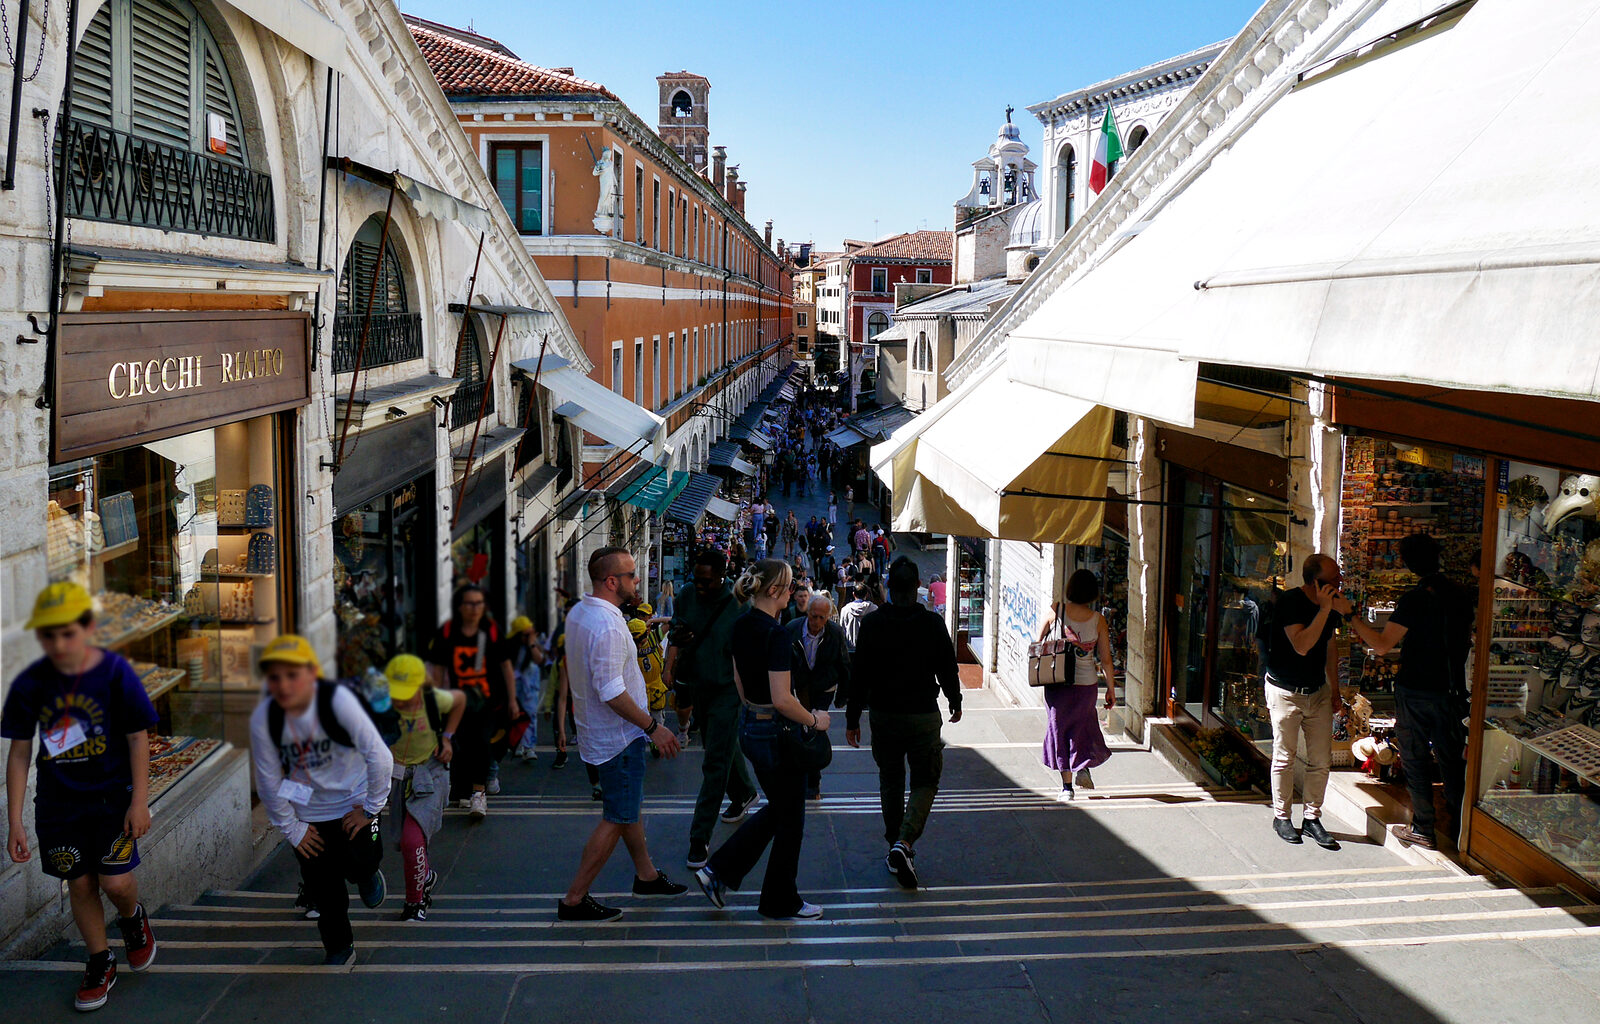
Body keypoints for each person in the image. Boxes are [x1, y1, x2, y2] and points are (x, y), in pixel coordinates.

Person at [3, 583, 160, 1011]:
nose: (58, 643)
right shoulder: (31, 683)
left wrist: (139, 800)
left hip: (112, 797)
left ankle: (132, 918)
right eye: (48, 635)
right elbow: (19, 753)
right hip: (59, 805)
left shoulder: (113, 672)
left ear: (88, 629)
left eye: (67, 633)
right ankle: (99, 960)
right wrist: (15, 820)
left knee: (116, 881)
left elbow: (137, 737)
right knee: (81, 881)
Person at [557, 547, 688, 922]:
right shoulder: (611, 626)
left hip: (599, 733)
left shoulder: (581, 613)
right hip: (619, 738)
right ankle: (574, 899)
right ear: (612, 582)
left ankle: (646, 876)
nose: (637, 580)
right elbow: (611, 690)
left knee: (628, 808)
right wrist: (653, 727)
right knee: (617, 815)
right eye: (631, 575)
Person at [694, 559, 827, 920]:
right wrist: (815, 720)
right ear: (773, 591)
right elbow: (783, 698)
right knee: (790, 815)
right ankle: (749, 886)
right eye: (788, 585)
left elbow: (739, 682)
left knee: (784, 810)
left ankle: (749, 886)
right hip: (776, 732)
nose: (793, 590)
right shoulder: (777, 634)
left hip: (750, 725)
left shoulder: (741, 625)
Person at [250, 635, 393, 964]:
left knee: (361, 859)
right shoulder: (266, 719)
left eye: (292, 674)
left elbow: (380, 758)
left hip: (353, 805)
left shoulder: (338, 702)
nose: (284, 685)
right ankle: (340, 947)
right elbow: (268, 781)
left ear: (312, 674)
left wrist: (371, 809)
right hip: (308, 811)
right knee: (323, 886)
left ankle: (368, 873)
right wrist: (293, 829)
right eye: (274, 677)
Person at [1343, 534, 1472, 850]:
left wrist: (1350, 616)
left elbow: (1383, 645)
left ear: (1409, 564)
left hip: (1416, 689)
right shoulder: (1461, 594)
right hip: (1452, 689)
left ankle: (1424, 828)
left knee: (1415, 758)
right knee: (1451, 760)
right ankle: (1461, 828)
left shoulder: (1415, 599)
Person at [847, 558, 962, 889]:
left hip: (883, 716)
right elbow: (947, 667)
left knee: (891, 780)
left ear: (888, 586)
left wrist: (853, 718)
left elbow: (860, 676)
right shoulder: (931, 624)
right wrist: (955, 701)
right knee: (926, 781)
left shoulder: (872, 624)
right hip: (923, 714)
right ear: (917, 589)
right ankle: (905, 842)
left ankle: (895, 844)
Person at [665, 548, 761, 869]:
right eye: (698, 580)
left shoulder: (738, 604)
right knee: (718, 744)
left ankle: (699, 837)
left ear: (723, 576)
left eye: (708, 582)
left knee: (714, 761)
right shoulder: (687, 593)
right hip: (697, 684)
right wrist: (675, 649)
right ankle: (745, 791)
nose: (701, 587)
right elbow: (676, 629)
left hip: (727, 690)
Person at [1262, 553, 1344, 850]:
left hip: (1317, 692)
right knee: (1284, 757)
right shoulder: (1290, 602)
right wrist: (1324, 610)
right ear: (1316, 582)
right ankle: (1282, 816)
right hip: (1285, 691)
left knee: (1321, 760)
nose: (1339, 584)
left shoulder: (1331, 605)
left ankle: (1312, 818)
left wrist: (1335, 690)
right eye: (1334, 580)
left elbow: (1330, 647)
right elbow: (1303, 645)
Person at [382, 655, 466, 921]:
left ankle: (415, 901)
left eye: (408, 694)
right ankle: (425, 876)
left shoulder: (433, 700)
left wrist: (447, 738)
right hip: (397, 779)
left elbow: (460, 701)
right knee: (405, 842)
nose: (402, 701)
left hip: (429, 775)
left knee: (412, 840)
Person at [425, 585, 517, 819]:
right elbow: (437, 669)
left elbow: (506, 666)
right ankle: (463, 791)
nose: (475, 608)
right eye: (469, 603)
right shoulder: (447, 632)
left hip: (487, 700)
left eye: (479, 603)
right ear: (460, 606)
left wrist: (512, 699)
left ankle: (479, 793)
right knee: (460, 744)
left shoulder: (490, 630)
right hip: (456, 701)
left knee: (481, 742)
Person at [1038, 571, 1116, 801]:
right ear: (1093, 593)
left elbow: (1037, 641)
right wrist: (1111, 689)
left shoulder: (1056, 610)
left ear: (1070, 588)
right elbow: (1106, 660)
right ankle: (1081, 766)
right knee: (1081, 726)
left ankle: (1067, 788)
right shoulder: (1098, 619)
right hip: (1086, 684)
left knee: (1059, 728)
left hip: (1058, 682)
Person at [788, 593, 852, 800]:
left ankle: (813, 783)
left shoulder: (835, 633)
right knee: (801, 730)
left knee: (814, 730)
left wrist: (842, 696)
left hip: (824, 688)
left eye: (821, 618)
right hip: (799, 688)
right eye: (813, 616)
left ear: (828, 617)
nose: (816, 622)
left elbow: (844, 664)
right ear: (808, 613)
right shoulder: (792, 629)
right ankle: (800, 775)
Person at [507, 617, 545, 764]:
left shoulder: (533, 645)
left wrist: (531, 644)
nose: (529, 636)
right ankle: (515, 743)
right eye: (526, 634)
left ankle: (529, 747)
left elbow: (539, 660)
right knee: (514, 715)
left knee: (530, 715)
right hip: (514, 685)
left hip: (530, 687)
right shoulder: (510, 646)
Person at [838, 583, 877, 652]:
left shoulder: (845, 609)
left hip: (850, 648)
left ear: (853, 594)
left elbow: (842, 630)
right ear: (866, 594)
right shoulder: (874, 609)